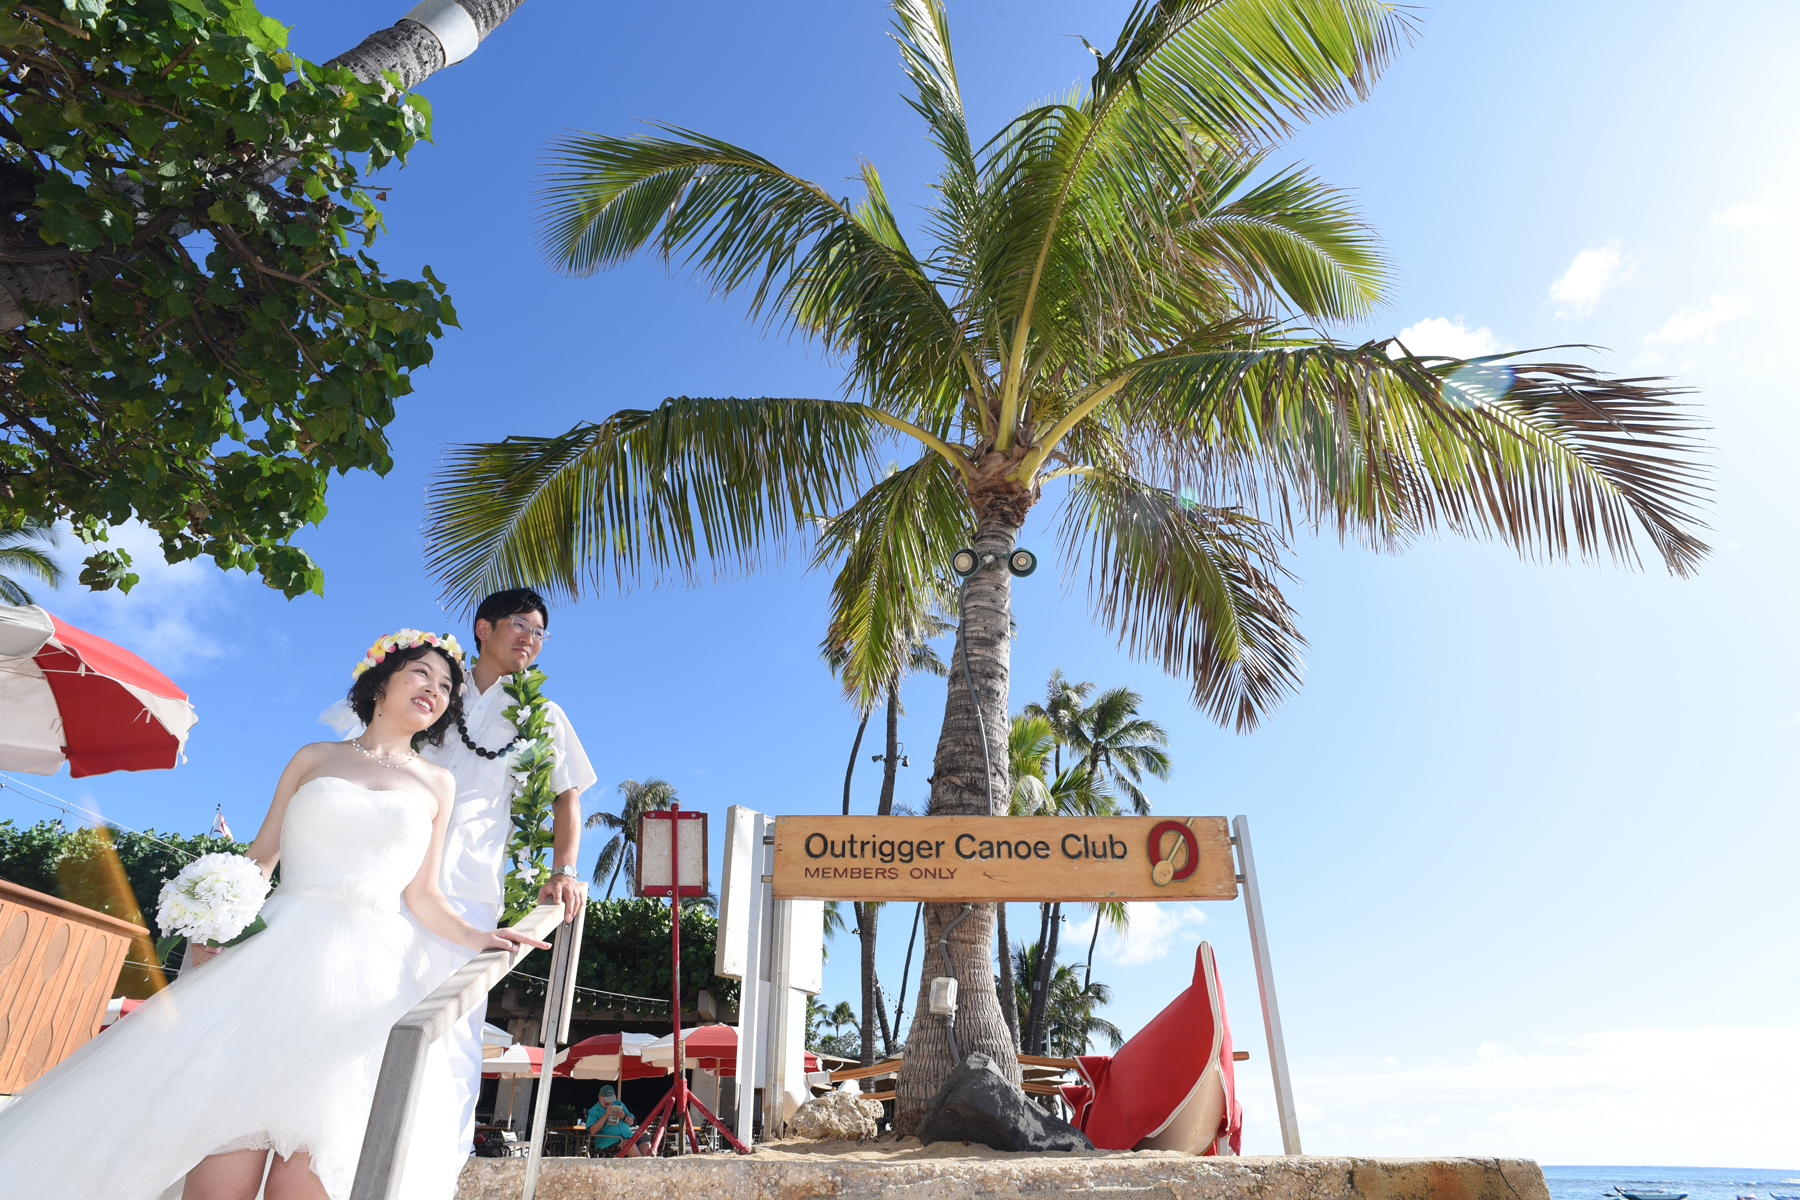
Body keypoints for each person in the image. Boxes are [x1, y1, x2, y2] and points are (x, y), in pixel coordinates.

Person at [0, 631, 550, 1200]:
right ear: (381, 683)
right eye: (421, 675)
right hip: (272, 959)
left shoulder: (439, 783)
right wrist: (213, 917)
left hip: (367, 981)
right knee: (219, 1160)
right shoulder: (313, 758)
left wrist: (479, 935)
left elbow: (425, 896)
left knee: (313, 1169)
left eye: (445, 687)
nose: (434, 690)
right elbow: (260, 858)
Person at [416, 588, 596, 1158]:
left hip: (470, 888)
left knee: (454, 1025)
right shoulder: (433, 683)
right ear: (482, 628)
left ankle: (436, 1162)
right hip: (390, 869)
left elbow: (568, 795)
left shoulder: (543, 714)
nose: (530, 638)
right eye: (520, 623)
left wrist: (563, 869)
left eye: (540, 632)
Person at [583, 1084, 643, 1157]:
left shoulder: (619, 1104)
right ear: (599, 1097)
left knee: (645, 1147)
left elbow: (631, 1122)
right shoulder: (594, 1111)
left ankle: (647, 1166)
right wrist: (606, 1115)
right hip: (610, 1140)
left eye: (611, 1100)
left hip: (627, 1135)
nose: (609, 1102)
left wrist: (624, 1116)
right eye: (607, 1100)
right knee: (629, 1144)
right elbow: (592, 1131)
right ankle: (643, 1167)